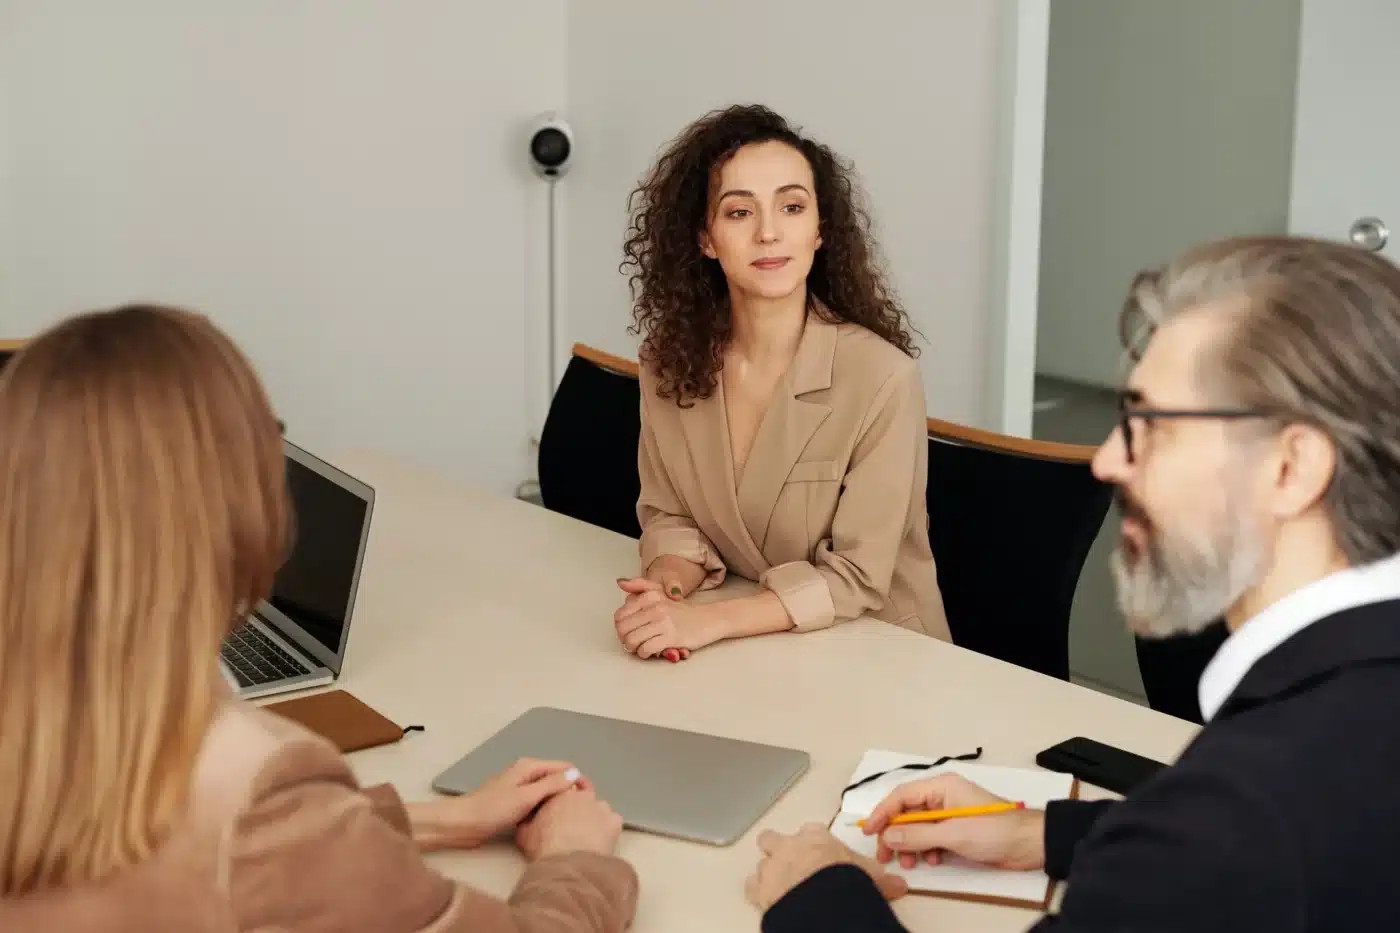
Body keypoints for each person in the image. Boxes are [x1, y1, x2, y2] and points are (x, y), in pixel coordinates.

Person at [745, 235, 1400, 932]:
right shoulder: (1341, 718)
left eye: (1151, 424)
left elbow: (1229, 844)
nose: (1108, 461)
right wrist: (1046, 833)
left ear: (1290, 468)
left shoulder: (1238, 819)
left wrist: (819, 894)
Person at [0, 306, 638, 933]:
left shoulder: (58, 729)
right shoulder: (259, 790)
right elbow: (257, 841)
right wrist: (572, 860)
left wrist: (446, 819)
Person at [614, 104, 949, 662]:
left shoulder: (883, 378)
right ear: (704, 237)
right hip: (756, 654)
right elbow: (670, 514)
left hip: (879, 653)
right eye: (739, 213)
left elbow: (858, 577)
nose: (770, 233)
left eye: (792, 207)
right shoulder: (667, 364)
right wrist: (666, 593)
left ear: (820, 231)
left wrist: (705, 623)